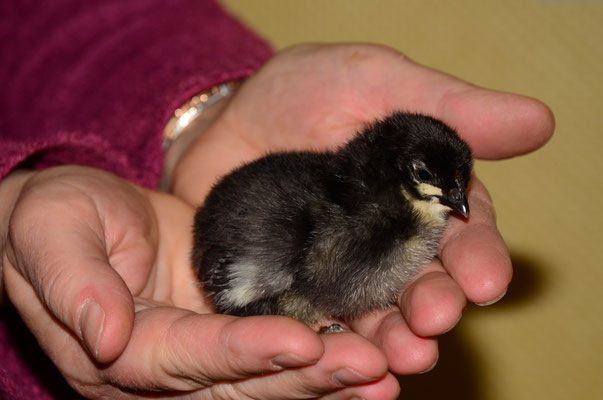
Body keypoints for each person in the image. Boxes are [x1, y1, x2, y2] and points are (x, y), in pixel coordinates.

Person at [0, 1, 554, 399]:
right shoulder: (362, 221)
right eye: (442, 184)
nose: (456, 201)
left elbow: (66, 20)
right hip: (247, 256)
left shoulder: (357, 199)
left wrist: (197, 115)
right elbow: (325, 267)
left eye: (458, 186)